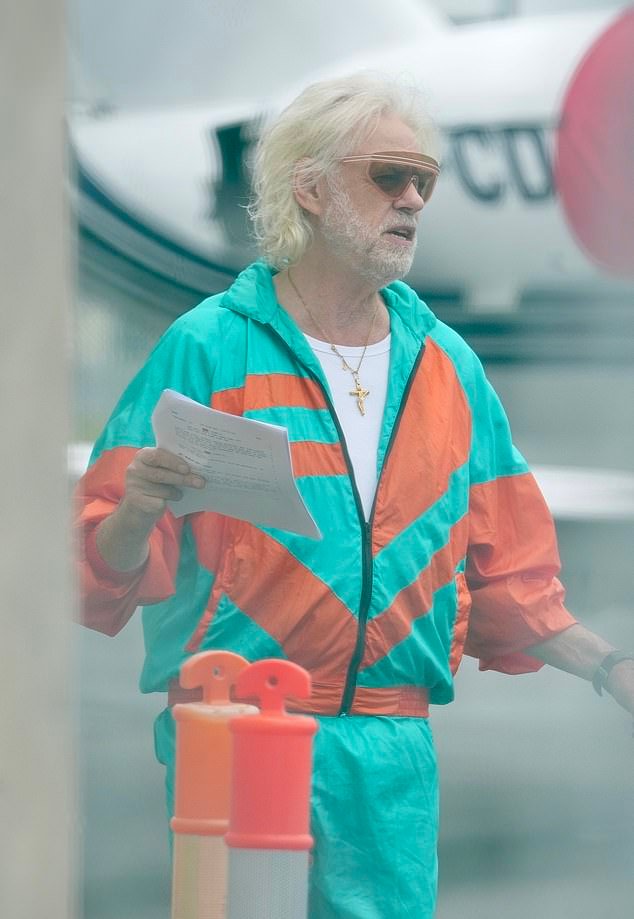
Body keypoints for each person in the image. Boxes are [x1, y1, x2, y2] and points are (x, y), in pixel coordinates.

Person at [76, 73, 634, 918]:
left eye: (424, 182)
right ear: (309, 185)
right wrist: (136, 510)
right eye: (388, 176)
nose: (412, 198)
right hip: (235, 722)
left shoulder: (449, 368)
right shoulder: (206, 345)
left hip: (393, 751)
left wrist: (611, 665)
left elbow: (515, 579)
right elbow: (95, 570)